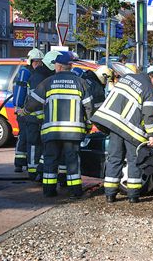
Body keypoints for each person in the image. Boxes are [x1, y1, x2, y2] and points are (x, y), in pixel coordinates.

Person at [23, 52, 93, 198]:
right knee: (72, 160)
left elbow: (32, 103)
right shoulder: (81, 83)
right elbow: (89, 107)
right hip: (73, 132)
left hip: (52, 131)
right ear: (70, 67)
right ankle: (75, 191)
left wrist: (24, 110)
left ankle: (49, 191)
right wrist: (88, 125)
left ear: (59, 67)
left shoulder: (48, 82)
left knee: (50, 160)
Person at [91, 71, 153, 204]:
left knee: (114, 159)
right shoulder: (149, 89)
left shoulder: (127, 78)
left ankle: (110, 195)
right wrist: (152, 135)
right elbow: (149, 115)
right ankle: (133, 196)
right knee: (134, 161)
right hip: (131, 130)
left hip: (113, 125)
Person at [23, 50, 56, 181]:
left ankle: (38, 170)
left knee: (42, 145)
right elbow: (34, 100)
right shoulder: (39, 76)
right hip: (34, 117)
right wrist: (41, 117)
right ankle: (33, 171)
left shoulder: (43, 74)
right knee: (33, 144)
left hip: (40, 118)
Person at [12, 48, 44, 173]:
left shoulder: (25, 72)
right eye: (38, 62)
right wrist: (20, 108)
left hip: (24, 110)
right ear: (33, 62)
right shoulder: (28, 73)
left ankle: (20, 163)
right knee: (26, 137)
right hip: (25, 111)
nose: (39, 64)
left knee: (24, 136)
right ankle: (21, 163)